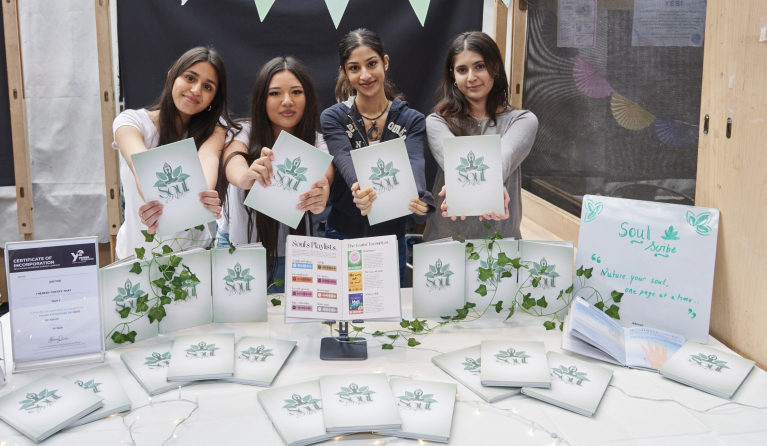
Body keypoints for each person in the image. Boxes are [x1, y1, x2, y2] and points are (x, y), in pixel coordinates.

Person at [321, 28, 434, 285]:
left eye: (372, 64)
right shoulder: (334, 117)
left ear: (385, 62)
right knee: (340, 309)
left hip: (390, 240)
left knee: (387, 312)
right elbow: (342, 154)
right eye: (354, 68)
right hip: (341, 235)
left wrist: (419, 198)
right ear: (345, 72)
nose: (365, 75)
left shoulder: (412, 119)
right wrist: (360, 189)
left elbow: (415, 160)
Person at [220, 57, 334, 291]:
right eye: (275, 93)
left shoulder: (318, 142)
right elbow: (233, 161)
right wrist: (245, 177)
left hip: (295, 257)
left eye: (296, 92)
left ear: (308, 98)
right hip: (237, 251)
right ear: (261, 98)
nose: (287, 101)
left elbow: (325, 175)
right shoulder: (242, 131)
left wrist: (320, 195)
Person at [112, 46, 235, 260]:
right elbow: (143, 170)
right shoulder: (130, 122)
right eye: (190, 78)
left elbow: (204, 176)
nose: (196, 90)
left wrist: (200, 197)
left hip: (192, 259)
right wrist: (157, 204)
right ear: (172, 76)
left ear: (214, 99)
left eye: (207, 87)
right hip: (134, 259)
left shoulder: (216, 129)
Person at [425, 31, 538, 243]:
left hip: (501, 244)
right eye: (462, 70)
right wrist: (490, 187)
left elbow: (504, 154)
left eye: (479, 66)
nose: (471, 77)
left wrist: (485, 186)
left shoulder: (522, 120)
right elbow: (453, 164)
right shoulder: (437, 122)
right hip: (446, 243)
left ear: (495, 68)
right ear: (453, 75)